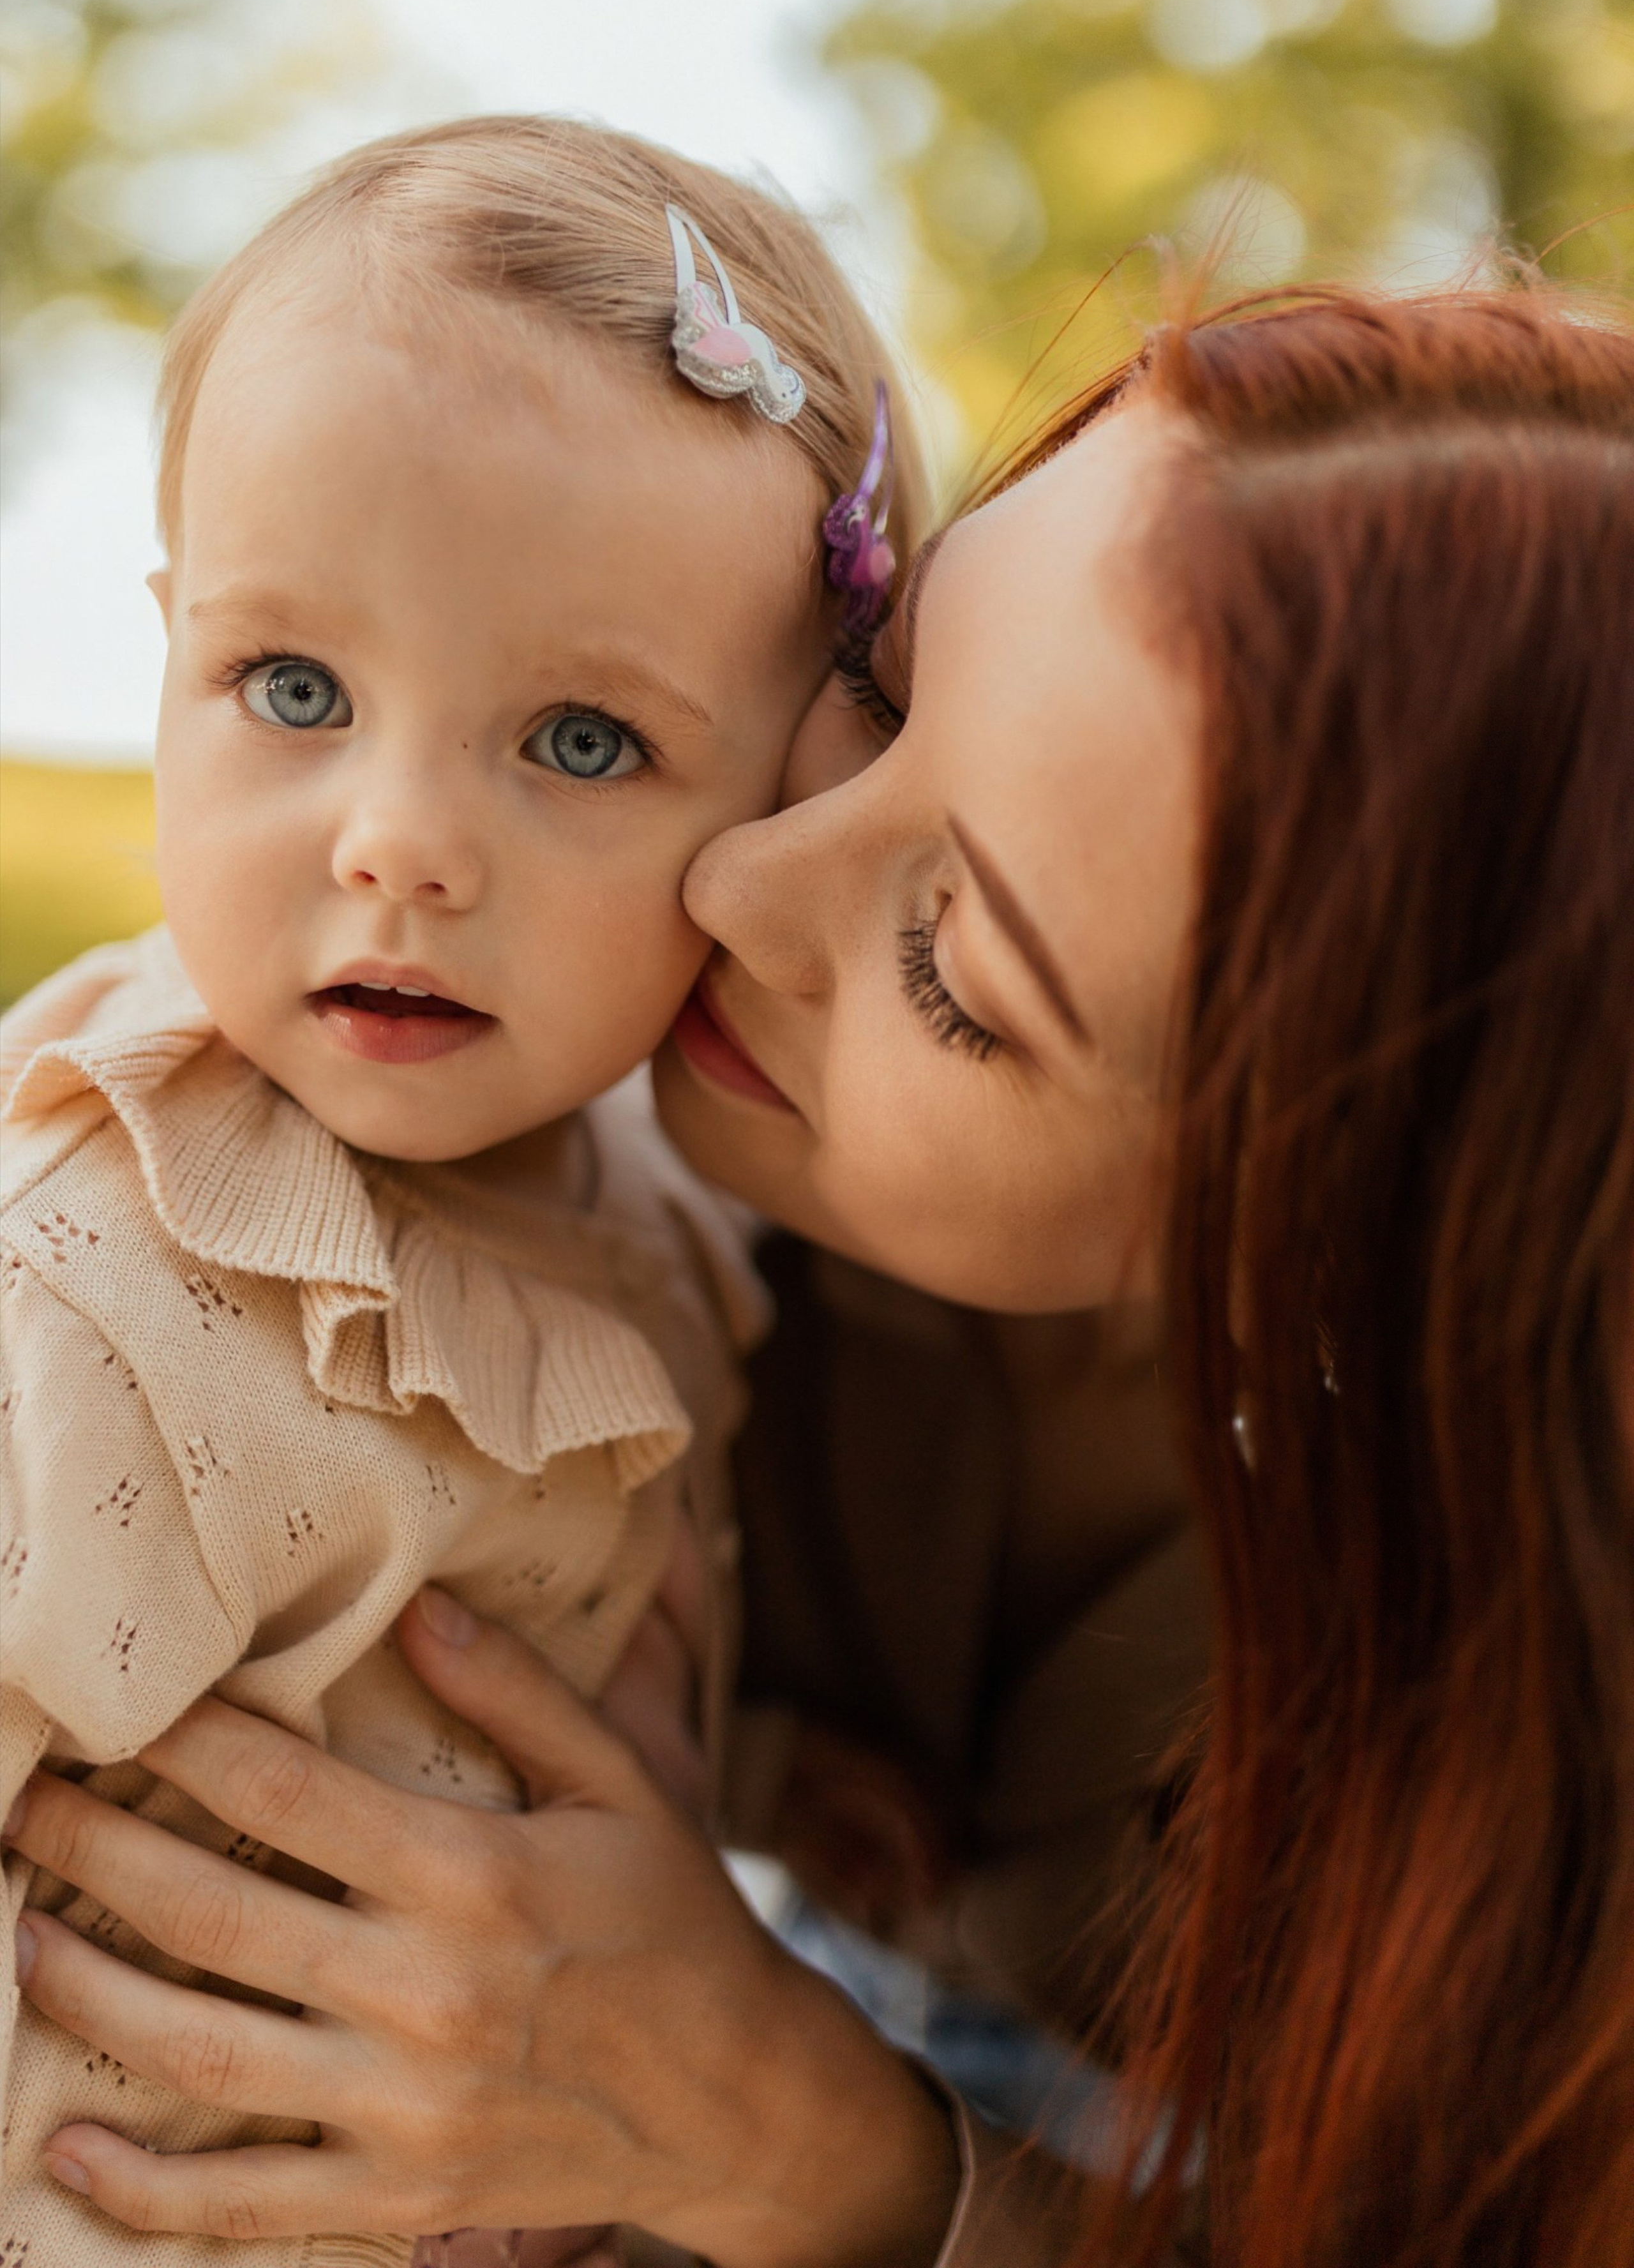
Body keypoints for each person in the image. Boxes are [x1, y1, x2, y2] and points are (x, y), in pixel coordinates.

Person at [6, 282, 1632, 2268]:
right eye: (877, 682)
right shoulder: (465, 1189)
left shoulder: (1555, 1763)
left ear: (1341, 1239)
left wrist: (810, 2144)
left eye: (955, 969)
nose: (730, 884)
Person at [0, 114, 927, 2268]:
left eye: (582, 742)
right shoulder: (102, 1287)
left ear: (795, 785)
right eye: (294, 690)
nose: (397, 841)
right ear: (168, 655)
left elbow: (564, 1609)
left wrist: (768, 1776)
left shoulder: (650, 1188)